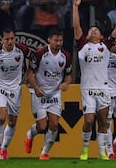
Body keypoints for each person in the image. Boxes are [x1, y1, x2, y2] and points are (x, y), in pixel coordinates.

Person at [73, 0, 116, 160]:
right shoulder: (82, 46)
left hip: (103, 89)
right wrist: (75, 7)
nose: (93, 31)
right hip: (87, 89)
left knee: (103, 123)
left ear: (101, 35)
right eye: (91, 30)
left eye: (96, 30)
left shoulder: (106, 46)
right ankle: (85, 149)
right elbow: (77, 27)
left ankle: (102, 151)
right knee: (88, 121)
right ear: (87, 35)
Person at [0, 29, 31, 160]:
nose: (10, 42)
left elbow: (29, 61)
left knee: (12, 122)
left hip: (15, 89)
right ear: (2, 40)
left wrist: (29, 78)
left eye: (12, 38)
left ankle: (4, 149)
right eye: (7, 39)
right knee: (2, 117)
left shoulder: (22, 50)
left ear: (15, 38)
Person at [24, 28, 72, 160]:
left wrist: (66, 84)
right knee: (42, 127)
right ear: (49, 40)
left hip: (55, 94)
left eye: (61, 40)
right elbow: (30, 72)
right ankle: (30, 134)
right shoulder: (40, 54)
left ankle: (44, 152)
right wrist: (35, 87)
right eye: (56, 40)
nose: (59, 43)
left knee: (54, 124)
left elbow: (68, 75)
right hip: (39, 93)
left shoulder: (66, 56)